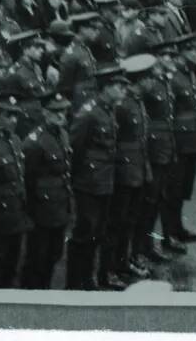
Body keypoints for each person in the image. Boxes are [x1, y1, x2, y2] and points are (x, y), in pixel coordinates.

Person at [67, 63, 127, 291]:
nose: (122, 91)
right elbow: (75, 149)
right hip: (88, 183)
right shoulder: (88, 114)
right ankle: (74, 283)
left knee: (98, 232)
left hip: (104, 180)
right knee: (84, 233)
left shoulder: (107, 109)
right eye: (118, 86)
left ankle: (88, 277)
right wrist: (79, 180)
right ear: (106, 88)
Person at [105, 54, 154, 284]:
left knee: (131, 219)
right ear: (139, 80)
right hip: (124, 171)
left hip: (137, 168)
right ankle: (113, 266)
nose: (152, 82)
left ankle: (124, 262)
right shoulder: (124, 105)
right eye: (148, 78)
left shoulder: (136, 101)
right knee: (119, 222)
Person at [20, 92, 73, 290]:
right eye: (55, 112)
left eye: (64, 111)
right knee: (37, 260)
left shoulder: (63, 135)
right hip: (41, 211)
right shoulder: (34, 142)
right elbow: (28, 181)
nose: (61, 115)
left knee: (54, 255)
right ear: (44, 112)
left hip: (60, 205)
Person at [133, 44, 179, 264]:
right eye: (167, 55)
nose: (171, 59)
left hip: (165, 144)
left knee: (160, 197)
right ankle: (144, 246)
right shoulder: (150, 86)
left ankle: (152, 243)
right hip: (153, 147)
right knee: (149, 202)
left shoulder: (164, 81)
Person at [162, 33, 196, 246]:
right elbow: (168, 113)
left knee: (183, 187)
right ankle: (168, 233)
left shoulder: (188, 73)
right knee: (173, 188)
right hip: (178, 140)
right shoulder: (173, 77)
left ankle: (177, 228)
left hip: (190, 138)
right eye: (195, 50)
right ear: (182, 53)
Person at [0, 94, 32, 289]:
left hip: (16, 210)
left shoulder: (16, 140)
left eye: (15, 116)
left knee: (13, 261)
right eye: (8, 115)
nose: (13, 120)